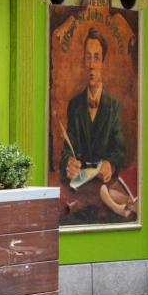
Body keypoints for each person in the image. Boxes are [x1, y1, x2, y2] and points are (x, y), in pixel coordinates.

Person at [60, 28, 126, 185]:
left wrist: (110, 164)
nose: (91, 65)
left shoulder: (114, 107)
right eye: (88, 57)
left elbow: (120, 151)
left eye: (96, 58)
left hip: (105, 186)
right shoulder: (74, 105)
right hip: (79, 186)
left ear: (103, 62)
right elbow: (67, 149)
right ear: (83, 61)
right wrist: (68, 162)